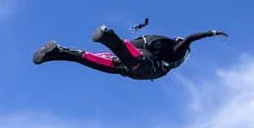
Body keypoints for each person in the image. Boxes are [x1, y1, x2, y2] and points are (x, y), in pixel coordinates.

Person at [35, 24, 225, 81]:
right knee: (93, 58)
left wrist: (212, 32)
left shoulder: (174, 53)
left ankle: (57, 52)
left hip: (135, 66)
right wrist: (212, 33)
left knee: (95, 59)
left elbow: (189, 38)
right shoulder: (172, 52)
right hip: (132, 67)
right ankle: (55, 52)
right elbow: (189, 38)